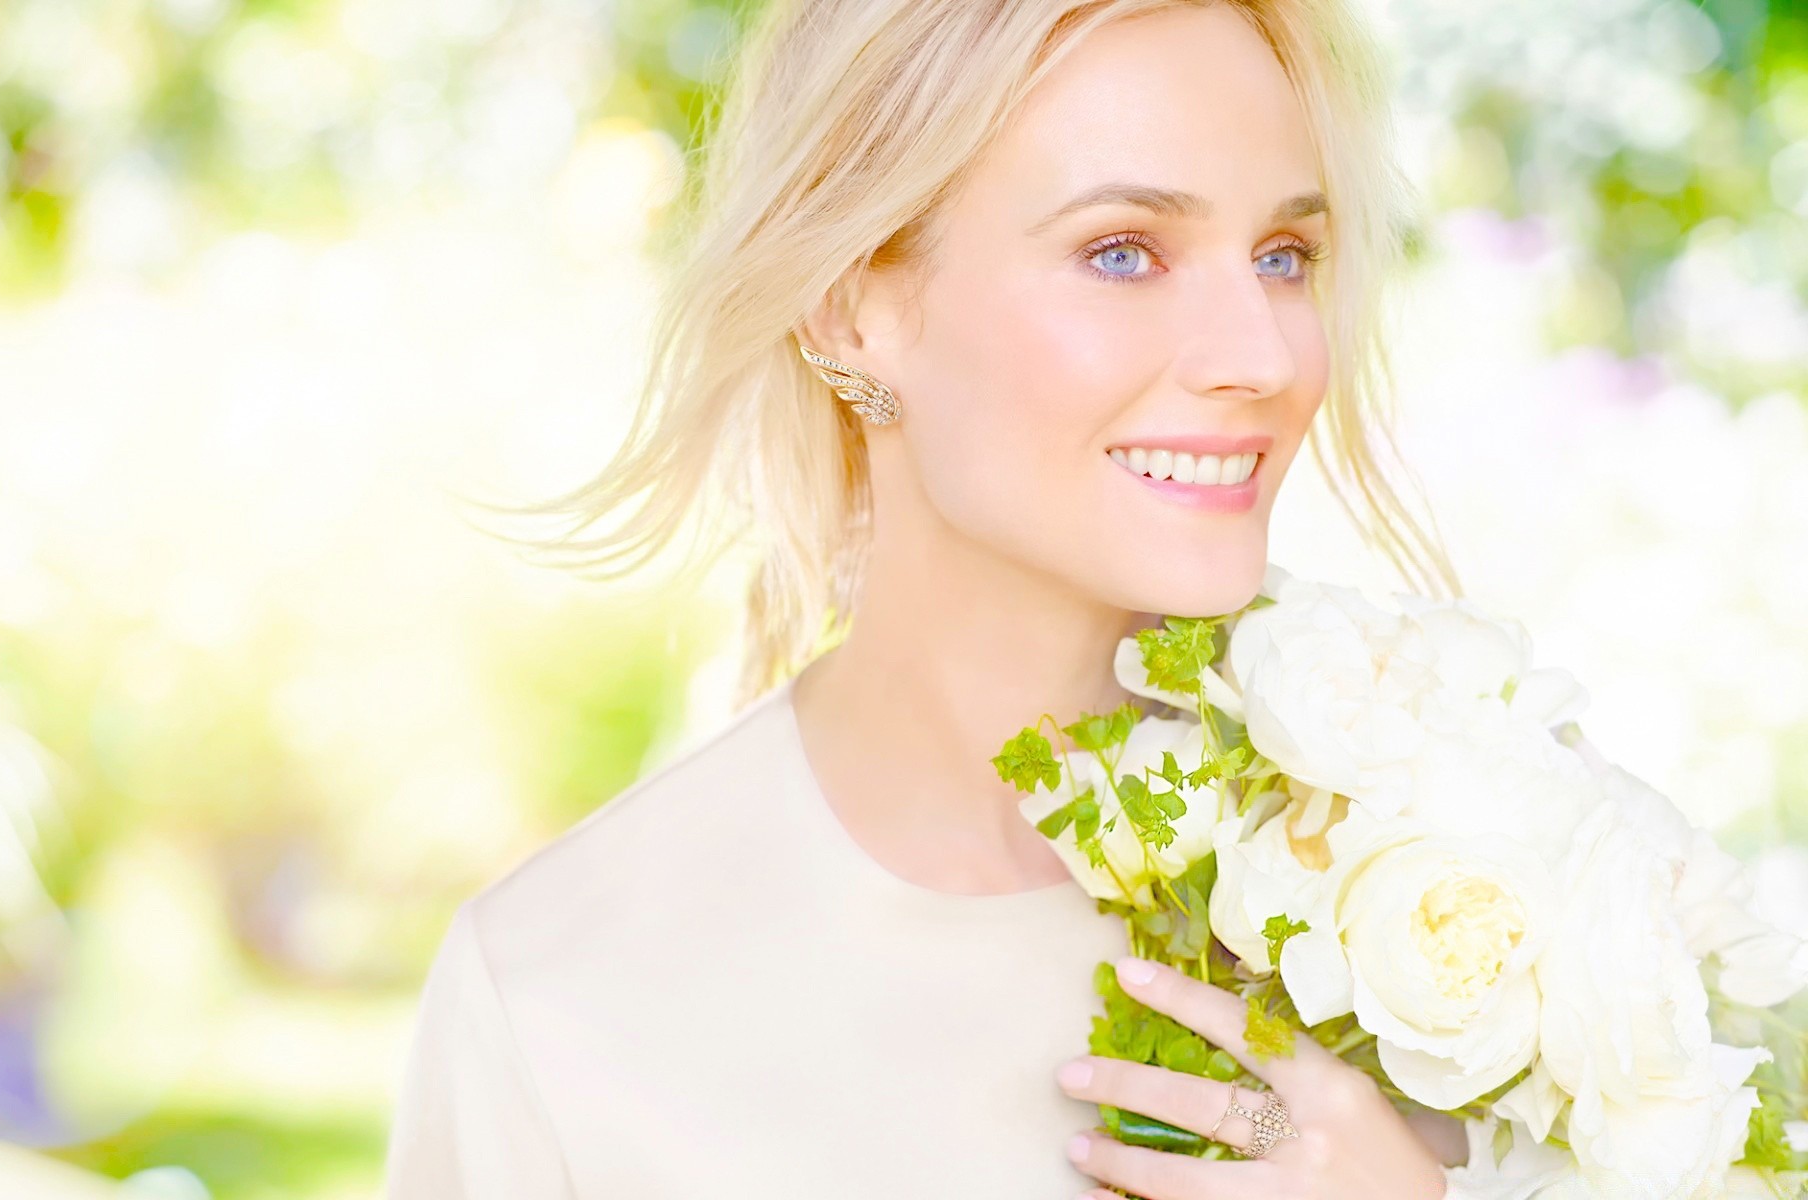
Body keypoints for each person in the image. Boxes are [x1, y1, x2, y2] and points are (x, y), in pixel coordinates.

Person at [386, 0, 1485, 1196]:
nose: (1263, 357)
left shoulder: (1481, 861)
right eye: (1123, 251)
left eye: (1286, 257)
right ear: (851, 306)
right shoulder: (558, 998)